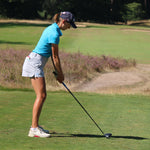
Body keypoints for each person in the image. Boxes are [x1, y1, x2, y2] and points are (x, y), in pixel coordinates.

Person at [22, 11, 77, 138]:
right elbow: (55, 57)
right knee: (41, 95)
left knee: (42, 95)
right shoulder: (54, 33)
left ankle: (35, 126)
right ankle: (34, 129)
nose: (69, 28)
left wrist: (58, 73)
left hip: (35, 62)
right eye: (69, 25)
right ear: (63, 21)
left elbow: (53, 57)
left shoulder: (53, 29)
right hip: (34, 63)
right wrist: (60, 74)